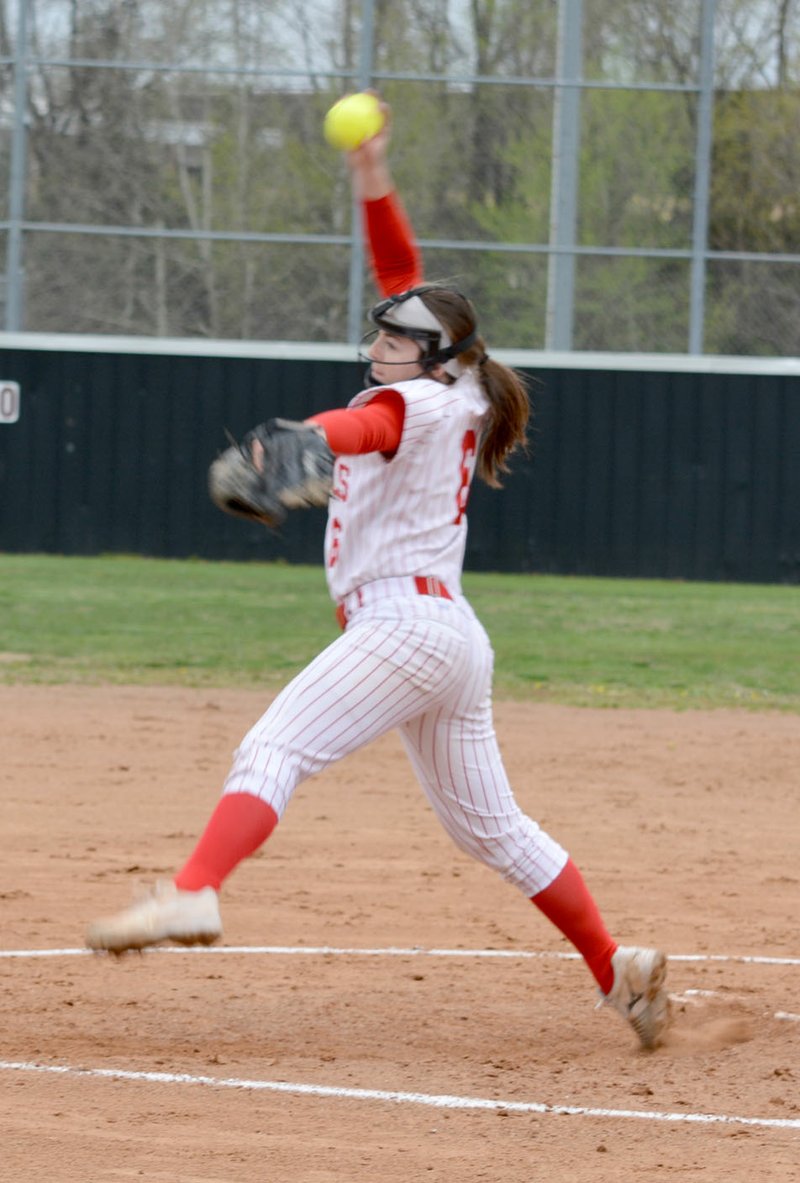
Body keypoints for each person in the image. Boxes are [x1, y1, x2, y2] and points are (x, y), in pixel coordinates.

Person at [87, 99, 670, 1051]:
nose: (377, 347)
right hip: (451, 640)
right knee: (493, 829)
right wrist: (373, 174)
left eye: (392, 341)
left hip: (400, 628)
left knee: (271, 752)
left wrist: (306, 438)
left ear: (429, 358)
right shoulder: (463, 381)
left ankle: (192, 893)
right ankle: (622, 974)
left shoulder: (416, 407)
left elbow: (366, 426)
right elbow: (404, 279)